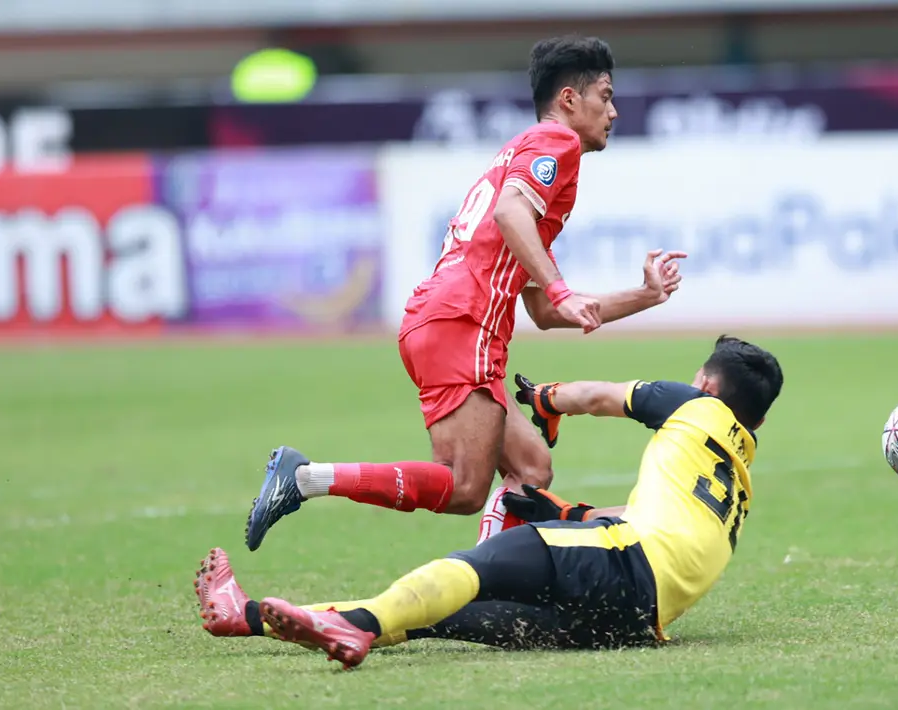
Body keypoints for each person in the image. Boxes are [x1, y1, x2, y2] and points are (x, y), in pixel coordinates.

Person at [244, 34, 688, 553]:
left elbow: (544, 312)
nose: (613, 111)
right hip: (464, 323)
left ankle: (491, 576)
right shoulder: (556, 143)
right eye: (605, 96)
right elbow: (510, 215)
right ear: (569, 99)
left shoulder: (525, 155)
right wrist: (561, 285)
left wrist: (644, 295)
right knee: (463, 487)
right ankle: (306, 478)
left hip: (448, 319)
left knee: (530, 467)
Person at [197, 336, 784, 669]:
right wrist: (570, 515)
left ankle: (354, 627)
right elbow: (649, 524)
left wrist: (548, 398)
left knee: (472, 568)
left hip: (623, 567)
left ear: (707, 386)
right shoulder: (737, 477)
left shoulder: (698, 407)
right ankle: (246, 617)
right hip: (631, 622)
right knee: (433, 615)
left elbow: (601, 397)